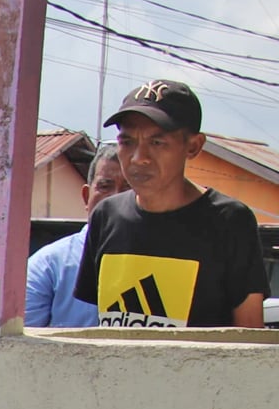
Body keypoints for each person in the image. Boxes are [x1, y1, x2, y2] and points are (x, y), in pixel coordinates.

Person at [75, 80, 266, 329]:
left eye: (157, 143)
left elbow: (249, 334)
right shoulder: (106, 216)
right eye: (127, 142)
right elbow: (97, 325)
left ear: (194, 146)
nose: (138, 158)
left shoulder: (229, 220)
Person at [26, 144, 127, 328]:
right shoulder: (48, 267)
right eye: (105, 186)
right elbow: (18, 348)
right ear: (86, 196)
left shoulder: (163, 262)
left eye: (129, 189)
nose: (116, 198)